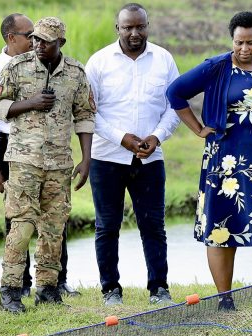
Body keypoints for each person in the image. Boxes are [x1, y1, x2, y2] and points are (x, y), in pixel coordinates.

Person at [165, 11, 252, 311]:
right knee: (222, 228)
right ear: (232, 40)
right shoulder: (216, 67)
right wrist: (199, 129)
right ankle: (224, 297)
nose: (244, 49)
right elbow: (175, 93)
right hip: (226, 163)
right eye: (239, 42)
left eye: (250, 42)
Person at [0, 16, 95, 312]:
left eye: (45, 41)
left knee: (53, 227)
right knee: (21, 225)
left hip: (60, 163)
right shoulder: (16, 66)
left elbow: (85, 115)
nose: (37, 45)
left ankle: (47, 289)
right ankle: (10, 290)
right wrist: (30, 103)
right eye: (35, 38)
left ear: (60, 43)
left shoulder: (75, 72)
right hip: (23, 160)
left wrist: (86, 159)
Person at [86, 3, 180, 307]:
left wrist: (157, 136)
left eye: (140, 26)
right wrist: (121, 138)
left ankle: (159, 289)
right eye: (128, 27)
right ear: (118, 29)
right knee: (107, 225)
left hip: (150, 158)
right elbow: (89, 112)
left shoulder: (163, 59)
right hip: (107, 158)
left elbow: (174, 108)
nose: (135, 33)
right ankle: (110, 289)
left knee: (153, 225)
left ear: (148, 26)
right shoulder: (99, 62)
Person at [0, 13, 37, 297]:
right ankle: (21, 282)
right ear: (11, 38)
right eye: (29, 35)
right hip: (10, 143)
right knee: (16, 215)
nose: (34, 40)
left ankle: (57, 281)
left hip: (41, 142)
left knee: (52, 210)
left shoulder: (42, 60)